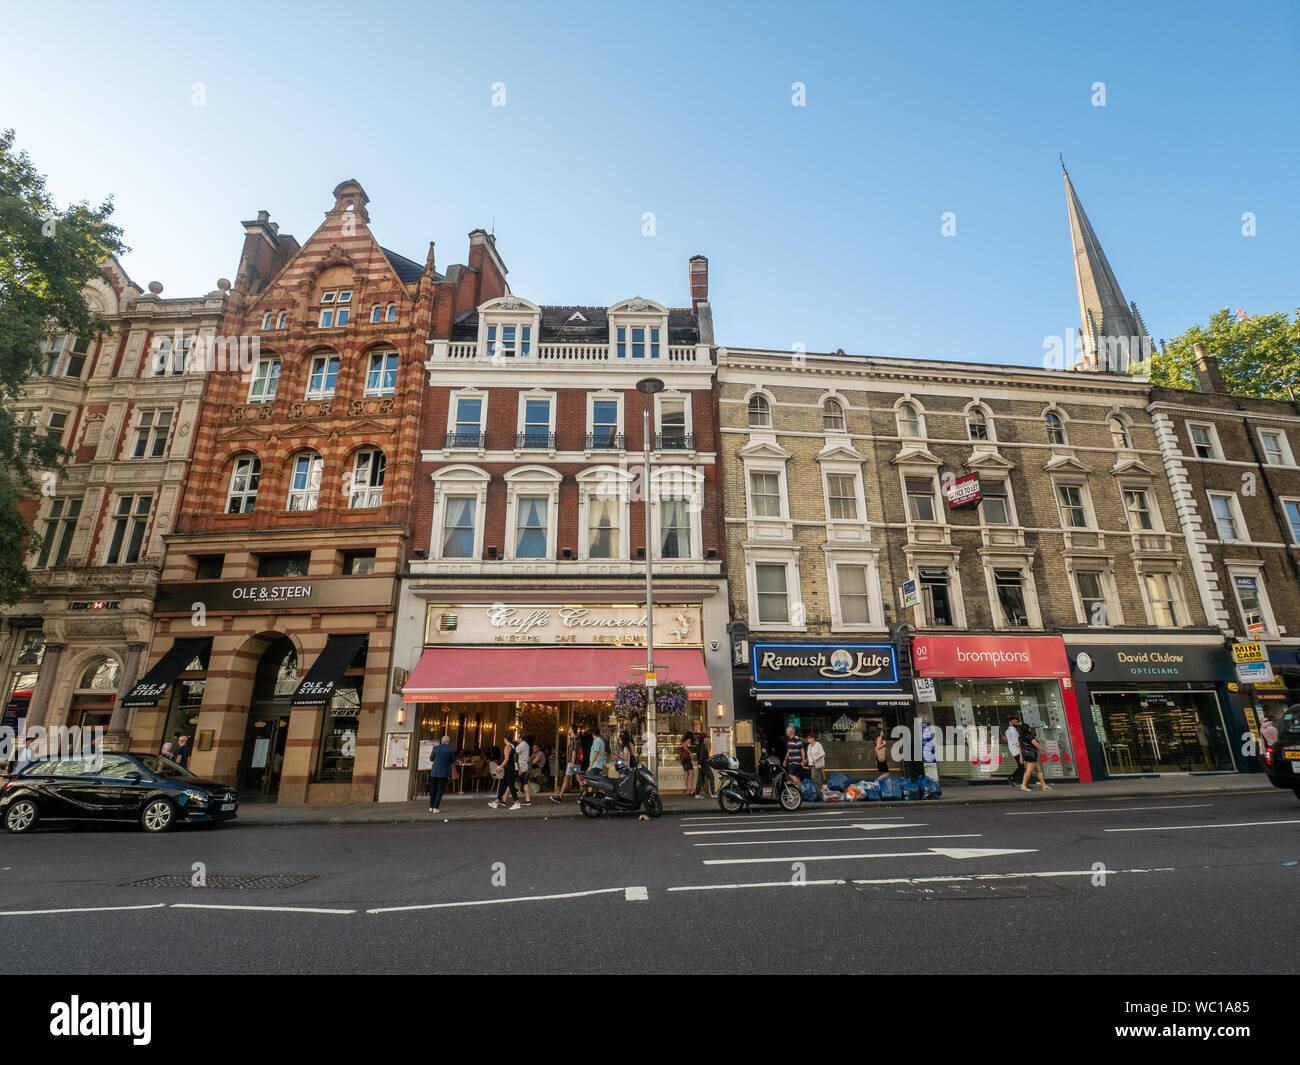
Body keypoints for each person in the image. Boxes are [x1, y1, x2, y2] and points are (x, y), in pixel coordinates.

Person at [552, 726, 583, 803]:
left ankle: (560, 797)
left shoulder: (574, 740)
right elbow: (571, 746)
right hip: (577, 764)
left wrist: (572, 763)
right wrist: (569, 738)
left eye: (569, 728)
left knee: (566, 779)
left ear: (572, 730)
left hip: (572, 764)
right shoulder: (577, 739)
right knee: (578, 779)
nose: (568, 729)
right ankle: (584, 796)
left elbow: (573, 751)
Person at [489, 734, 521, 809]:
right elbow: (516, 759)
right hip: (511, 767)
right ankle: (496, 802)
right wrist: (519, 768)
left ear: (505, 739)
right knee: (504, 785)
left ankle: (517, 803)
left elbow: (506, 759)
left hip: (509, 768)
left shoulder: (507, 747)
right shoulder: (513, 747)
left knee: (511, 786)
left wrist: (500, 767)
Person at [1019, 724, 1052, 791]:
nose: (1030, 728)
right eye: (1029, 727)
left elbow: (1019, 746)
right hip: (1031, 753)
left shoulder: (1021, 737)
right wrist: (1045, 751)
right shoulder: (1029, 735)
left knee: (1038, 770)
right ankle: (1023, 785)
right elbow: (1036, 744)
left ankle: (1044, 785)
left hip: (1025, 753)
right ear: (1027, 729)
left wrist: (1021, 756)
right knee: (1029, 770)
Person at [427, 734, 454, 812]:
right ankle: (436, 807)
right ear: (448, 742)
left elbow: (431, 759)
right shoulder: (450, 749)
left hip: (434, 772)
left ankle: (431, 807)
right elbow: (452, 761)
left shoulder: (435, 748)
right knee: (440, 790)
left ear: (442, 741)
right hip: (443, 773)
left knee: (432, 790)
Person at [1005, 715, 1025, 788]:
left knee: (1021, 767)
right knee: (1021, 767)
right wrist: (1021, 754)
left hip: (1013, 750)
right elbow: (1017, 743)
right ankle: (1015, 779)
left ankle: (1014, 779)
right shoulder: (1013, 731)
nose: (1017, 723)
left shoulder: (1008, 730)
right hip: (1017, 751)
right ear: (1011, 722)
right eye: (1016, 722)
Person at [515, 733, 533, 806]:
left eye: (517, 737)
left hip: (519, 767)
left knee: (511, 783)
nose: (516, 738)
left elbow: (515, 756)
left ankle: (503, 800)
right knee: (525, 783)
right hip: (525, 767)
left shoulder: (520, 746)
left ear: (520, 738)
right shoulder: (526, 745)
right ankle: (528, 800)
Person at [695, 731, 714, 797]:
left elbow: (699, 755)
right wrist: (700, 763)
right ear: (704, 739)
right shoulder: (703, 746)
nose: (708, 739)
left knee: (700, 779)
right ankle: (713, 793)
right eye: (707, 738)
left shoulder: (699, 745)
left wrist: (699, 763)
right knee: (711, 777)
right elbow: (701, 755)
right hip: (704, 765)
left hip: (701, 765)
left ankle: (697, 794)